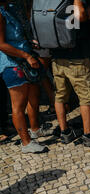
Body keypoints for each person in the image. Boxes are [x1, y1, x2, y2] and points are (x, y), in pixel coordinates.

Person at [50, 0, 90, 147]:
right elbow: (81, 16)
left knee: (60, 95)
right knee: (85, 96)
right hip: (77, 55)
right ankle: (89, 135)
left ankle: (65, 132)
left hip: (56, 54)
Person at [0, 0, 49, 153]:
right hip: (11, 64)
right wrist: (26, 56)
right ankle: (26, 142)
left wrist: (30, 44)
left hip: (25, 59)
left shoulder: (12, 7)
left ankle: (34, 129)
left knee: (34, 95)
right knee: (18, 105)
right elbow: (1, 44)